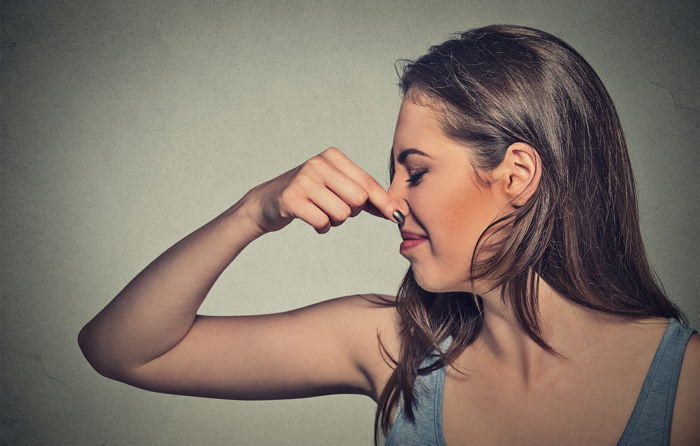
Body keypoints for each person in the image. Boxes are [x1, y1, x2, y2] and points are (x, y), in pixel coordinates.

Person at [77, 24, 699, 445]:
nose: (389, 200)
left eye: (416, 171)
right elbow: (122, 350)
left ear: (517, 173)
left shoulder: (685, 384)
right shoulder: (396, 347)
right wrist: (254, 213)